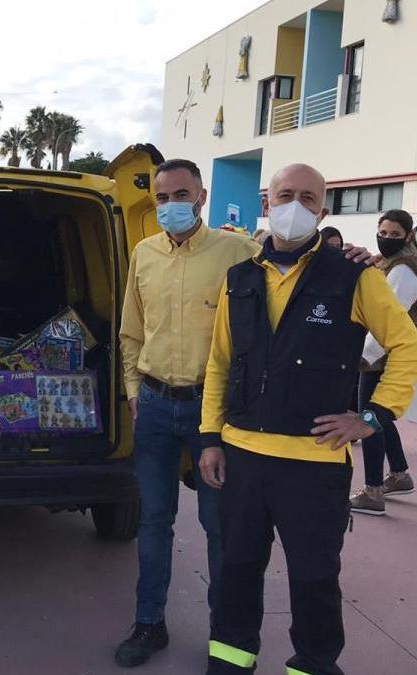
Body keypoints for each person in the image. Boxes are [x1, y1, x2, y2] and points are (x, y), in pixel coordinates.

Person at [198, 164, 417, 675]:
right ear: (267, 204)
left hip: (313, 464)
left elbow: (408, 350)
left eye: (308, 197)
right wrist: (211, 437)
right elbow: (219, 363)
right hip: (242, 455)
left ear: (323, 211)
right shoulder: (239, 279)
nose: (295, 205)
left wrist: (371, 416)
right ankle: (231, 660)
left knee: (313, 578)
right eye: (285, 195)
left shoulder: (355, 276)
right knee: (236, 570)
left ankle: (315, 665)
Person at [116, 158, 261, 668]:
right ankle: (149, 623)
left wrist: (349, 255)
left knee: (219, 526)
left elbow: (296, 271)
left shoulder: (239, 251)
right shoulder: (144, 252)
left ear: (201, 196)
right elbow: (131, 329)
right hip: (154, 405)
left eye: (182, 194)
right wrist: (134, 389)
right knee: (154, 522)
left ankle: (225, 634)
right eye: (161, 197)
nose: (171, 205)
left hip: (212, 411)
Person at [350, 209, 417, 516]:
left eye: (394, 235)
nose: (386, 239)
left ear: (409, 236)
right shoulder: (391, 262)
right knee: (381, 415)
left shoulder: (404, 269)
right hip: (383, 354)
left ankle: (372, 491)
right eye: (382, 233)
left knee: (369, 420)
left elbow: (389, 319)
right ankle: (398, 474)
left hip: (385, 356)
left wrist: (363, 355)